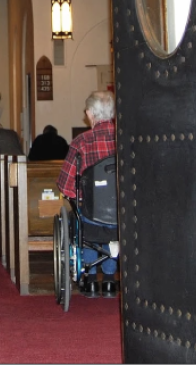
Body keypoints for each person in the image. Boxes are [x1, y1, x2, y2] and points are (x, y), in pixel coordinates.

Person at [56, 90, 118, 299]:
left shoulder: (81, 142)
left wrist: (78, 196)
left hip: (91, 216)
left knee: (83, 218)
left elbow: (65, 186)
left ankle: (91, 280)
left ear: (91, 113)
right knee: (112, 221)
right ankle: (109, 281)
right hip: (122, 215)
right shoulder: (125, 139)